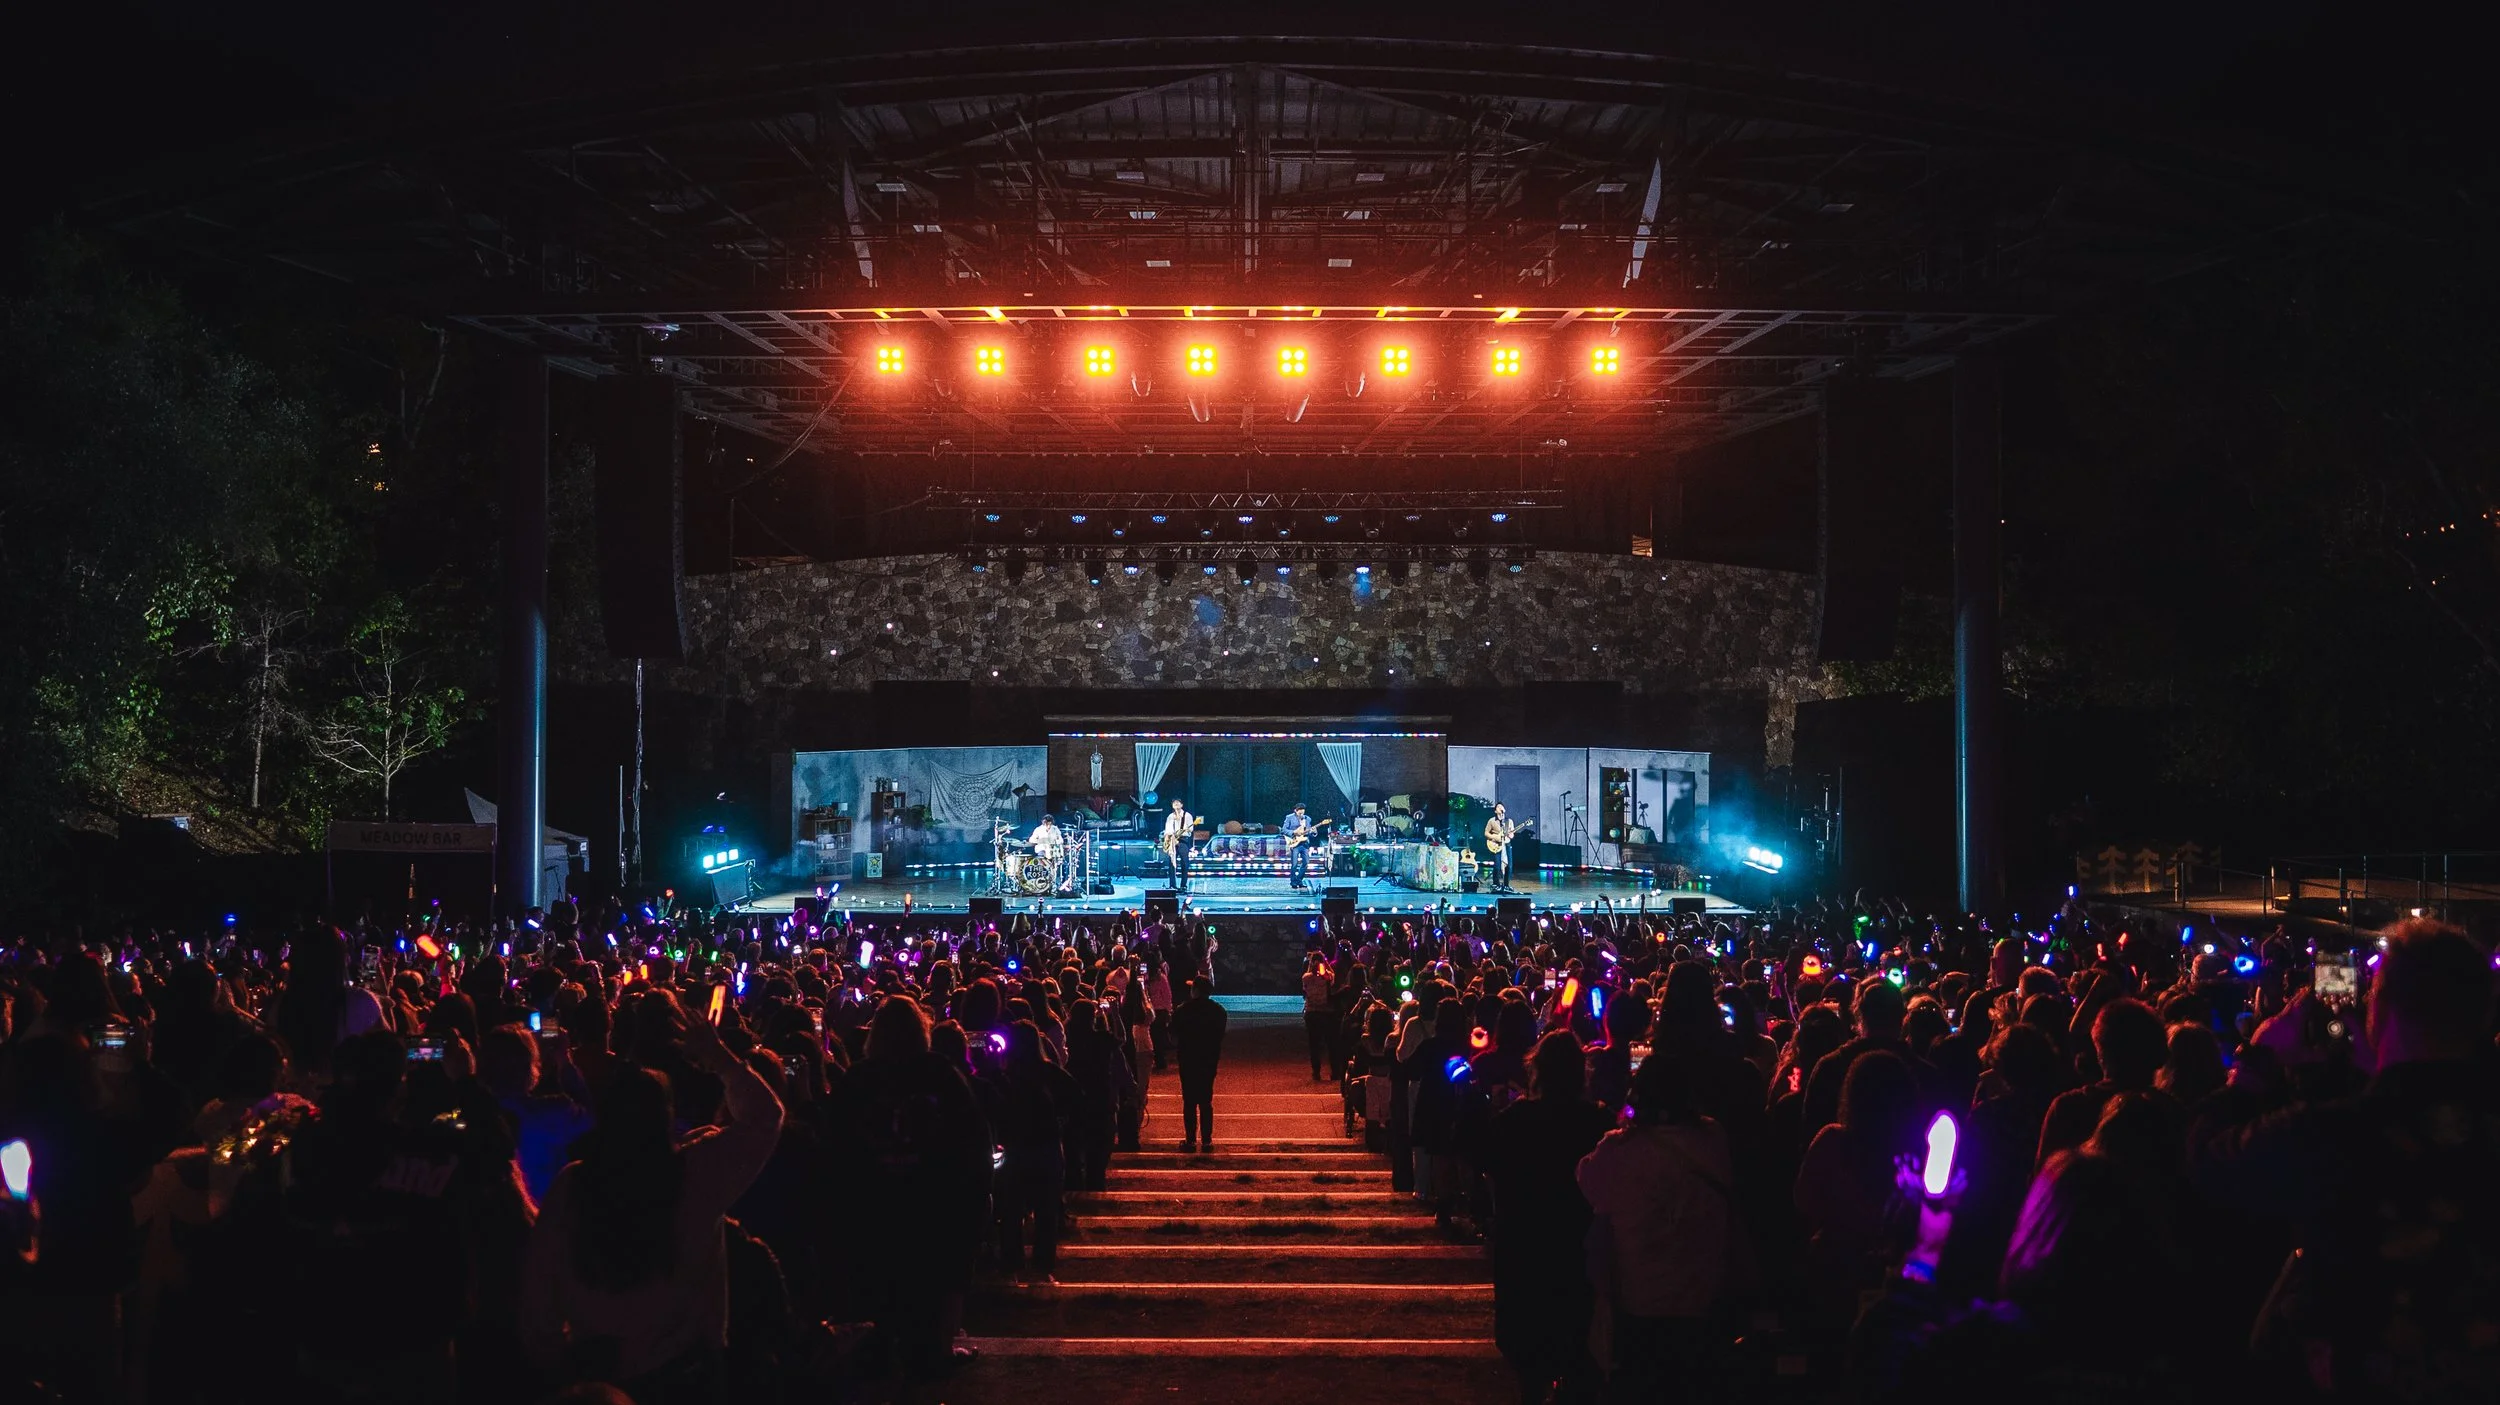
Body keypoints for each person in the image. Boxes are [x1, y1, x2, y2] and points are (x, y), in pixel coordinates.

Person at [519, 1014, 785, 1398]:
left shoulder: (571, 1187)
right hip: (686, 1376)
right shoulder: (698, 1174)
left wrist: (566, 1370)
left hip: (600, 1377)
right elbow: (766, 1116)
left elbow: (537, 1304)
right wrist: (719, 1059)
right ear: (666, 1119)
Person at [1578, 1052, 1742, 1402]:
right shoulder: (1712, 1139)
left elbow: (1586, 1180)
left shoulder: (1620, 1149)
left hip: (1640, 1299)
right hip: (1703, 1295)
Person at [1481, 1030, 1614, 1405]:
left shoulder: (1515, 1119)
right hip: (1577, 1247)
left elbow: (1480, 1156)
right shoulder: (1597, 1121)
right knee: (1577, 1352)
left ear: (1536, 1071)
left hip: (1525, 1247)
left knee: (1530, 1360)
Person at [1171, 977, 1228, 1153]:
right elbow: (1220, 1034)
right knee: (1205, 1100)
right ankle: (1206, 1140)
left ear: (1195, 990)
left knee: (1189, 1101)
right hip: (1208, 1059)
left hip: (1188, 1058)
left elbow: (1172, 1034)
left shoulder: (1183, 1010)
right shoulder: (1218, 1011)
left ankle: (1190, 1140)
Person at [1302, 953, 1335, 1082]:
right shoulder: (1327, 977)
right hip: (1325, 1012)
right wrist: (1325, 963)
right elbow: (1333, 977)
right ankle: (1334, 1070)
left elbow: (1305, 990)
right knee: (1330, 1042)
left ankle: (1316, 1071)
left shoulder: (1306, 977)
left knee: (1314, 1043)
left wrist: (1312, 966)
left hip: (1311, 1012)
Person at [1484, 802, 1525, 894]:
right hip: (1496, 845)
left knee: (1509, 866)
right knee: (1497, 866)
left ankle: (1506, 885)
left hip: (1506, 844)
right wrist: (1495, 837)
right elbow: (1486, 833)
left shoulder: (1509, 821)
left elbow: (1512, 834)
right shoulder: (1491, 821)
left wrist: (1511, 835)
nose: (1500, 808)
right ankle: (1496, 885)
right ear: (1495, 810)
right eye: (1498, 807)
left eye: (1502, 807)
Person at [1160, 799, 1195, 891]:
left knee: (1184, 863)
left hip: (1183, 840)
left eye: (1178, 802)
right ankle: (1172, 885)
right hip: (1172, 841)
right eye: (1174, 803)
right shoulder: (1170, 816)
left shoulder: (1187, 816)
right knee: (1172, 863)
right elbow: (1167, 829)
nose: (1176, 804)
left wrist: (1183, 831)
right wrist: (1170, 836)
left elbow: (1190, 829)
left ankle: (1183, 885)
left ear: (1182, 805)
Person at [1282, 802, 1317, 890]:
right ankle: (1293, 882)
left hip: (1304, 843)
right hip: (1295, 843)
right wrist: (1294, 832)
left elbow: (1309, 832)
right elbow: (1284, 830)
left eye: (1303, 812)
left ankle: (1299, 880)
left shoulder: (1308, 819)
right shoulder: (1289, 817)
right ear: (1295, 811)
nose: (1301, 814)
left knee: (1306, 863)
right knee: (1294, 864)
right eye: (1300, 812)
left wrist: (1314, 832)